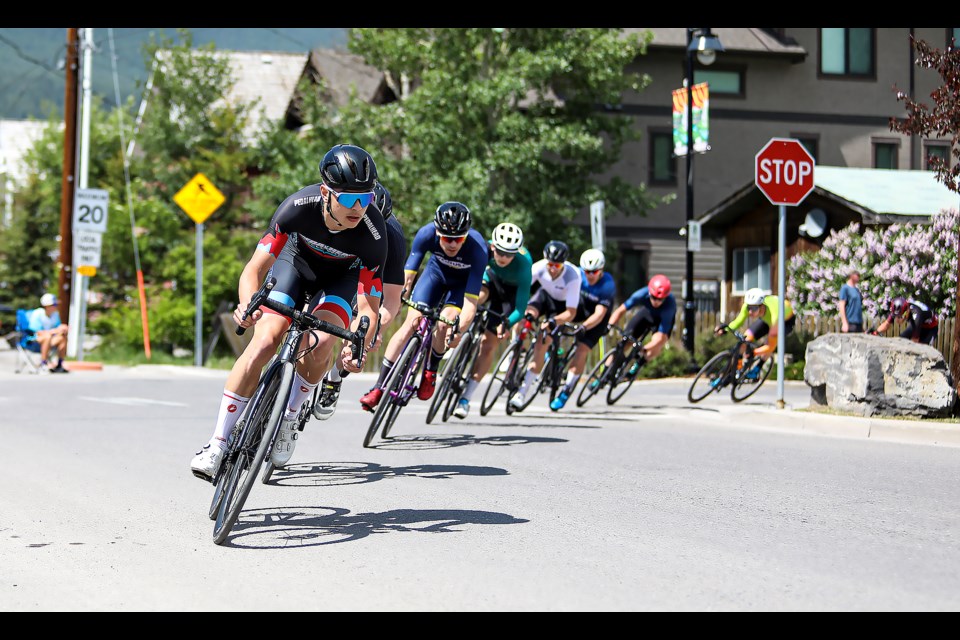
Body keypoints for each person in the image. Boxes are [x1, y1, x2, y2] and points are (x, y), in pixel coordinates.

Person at [190, 144, 387, 480]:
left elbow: (369, 306)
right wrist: (246, 304)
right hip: (294, 265)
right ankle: (218, 442)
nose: (359, 208)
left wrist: (358, 346)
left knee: (323, 341)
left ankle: (290, 416)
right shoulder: (297, 207)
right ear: (326, 192)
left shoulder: (373, 234)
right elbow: (254, 269)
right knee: (265, 341)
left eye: (365, 198)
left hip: (340, 280)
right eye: (349, 199)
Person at [359, 201, 488, 411]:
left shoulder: (478, 248)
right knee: (410, 323)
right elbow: (407, 277)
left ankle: (431, 370)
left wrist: (458, 331)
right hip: (434, 276)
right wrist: (400, 299)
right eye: (447, 238)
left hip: (460, 286)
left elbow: (470, 304)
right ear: (437, 232)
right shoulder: (426, 234)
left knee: (445, 325)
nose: (453, 244)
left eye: (458, 239)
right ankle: (378, 387)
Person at [312, 182, 407, 421]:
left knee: (361, 337)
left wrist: (374, 331)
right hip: (338, 269)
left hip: (369, 281)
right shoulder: (341, 217)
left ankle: (334, 377)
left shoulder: (392, 238)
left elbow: (392, 301)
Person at [452, 222, 532, 419]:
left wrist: (507, 323)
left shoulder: (524, 264)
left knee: (488, 345)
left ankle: (466, 399)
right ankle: (459, 328)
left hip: (509, 295)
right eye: (501, 252)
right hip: (490, 280)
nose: (504, 257)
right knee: (478, 295)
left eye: (509, 254)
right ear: (493, 246)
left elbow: (520, 309)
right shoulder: (483, 249)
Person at [509, 240, 582, 410]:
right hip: (544, 297)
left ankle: (522, 392)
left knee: (542, 343)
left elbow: (571, 313)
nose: (553, 268)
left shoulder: (573, 276)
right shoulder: (538, 267)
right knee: (523, 313)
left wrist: (552, 322)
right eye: (550, 264)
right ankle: (515, 345)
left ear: (563, 264)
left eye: (557, 265)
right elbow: (523, 288)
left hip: (562, 308)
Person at [549, 248, 616, 411]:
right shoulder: (578, 275)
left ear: (601, 270)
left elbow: (599, 314)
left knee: (581, 350)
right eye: (587, 271)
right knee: (558, 323)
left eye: (594, 272)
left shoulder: (607, 285)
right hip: (579, 309)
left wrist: (584, 327)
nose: (590, 275)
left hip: (597, 319)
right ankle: (552, 353)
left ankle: (567, 390)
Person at [715, 287, 796, 380]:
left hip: (784, 322)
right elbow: (738, 322)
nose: (750, 311)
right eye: (749, 307)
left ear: (762, 306)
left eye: (753, 308)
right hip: (766, 320)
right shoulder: (748, 306)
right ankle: (735, 369)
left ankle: (757, 368)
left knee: (769, 342)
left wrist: (754, 352)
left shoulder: (775, 313)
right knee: (745, 340)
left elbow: (770, 346)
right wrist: (726, 329)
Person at [607, 274, 677, 372]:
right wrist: (609, 326)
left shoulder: (669, 306)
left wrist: (644, 348)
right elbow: (620, 310)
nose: (656, 301)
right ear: (649, 293)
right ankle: (605, 371)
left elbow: (661, 336)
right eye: (653, 297)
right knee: (624, 342)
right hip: (647, 314)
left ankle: (639, 363)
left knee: (660, 341)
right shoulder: (641, 294)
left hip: (661, 320)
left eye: (660, 299)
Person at [27, 293, 69, 373]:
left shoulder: (55, 315)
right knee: (47, 337)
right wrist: (54, 331)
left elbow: (57, 328)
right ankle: (43, 364)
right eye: (54, 304)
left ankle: (59, 364)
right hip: (35, 340)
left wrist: (62, 329)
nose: (56, 306)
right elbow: (37, 332)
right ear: (47, 305)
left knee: (62, 337)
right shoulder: (38, 313)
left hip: (51, 339)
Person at [872, 296, 939, 345]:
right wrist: (875, 333)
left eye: (901, 317)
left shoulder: (917, 315)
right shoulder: (898, 310)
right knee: (900, 340)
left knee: (922, 347)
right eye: (896, 317)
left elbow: (914, 341)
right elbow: (886, 324)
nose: (898, 320)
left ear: (907, 311)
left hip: (931, 329)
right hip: (916, 325)